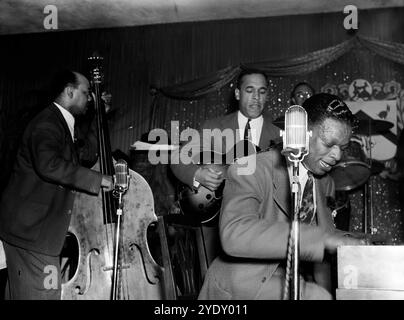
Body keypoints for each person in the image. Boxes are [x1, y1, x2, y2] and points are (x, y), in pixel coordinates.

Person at [198, 93, 368, 300]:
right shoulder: (251, 169)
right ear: (301, 134)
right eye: (328, 143)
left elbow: (323, 234)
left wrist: (353, 241)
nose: (337, 155)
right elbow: (235, 234)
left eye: (342, 148)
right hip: (241, 286)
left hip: (292, 280)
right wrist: (321, 239)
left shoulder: (323, 181)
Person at [0, 70, 113, 300]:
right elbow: (49, 164)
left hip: (28, 232)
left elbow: (85, 155)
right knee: (47, 293)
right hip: (33, 235)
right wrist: (99, 179)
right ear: (70, 92)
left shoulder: (60, 123)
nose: (89, 98)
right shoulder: (47, 123)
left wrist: (100, 117)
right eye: (86, 92)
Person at [170, 69, 280, 263]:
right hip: (216, 225)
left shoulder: (280, 137)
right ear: (237, 94)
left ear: (268, 95)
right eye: (249, 90)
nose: (256, 97)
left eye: (262, 91)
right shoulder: (214, 127)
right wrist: (197, 174)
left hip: (262, 225)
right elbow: (178, 157)